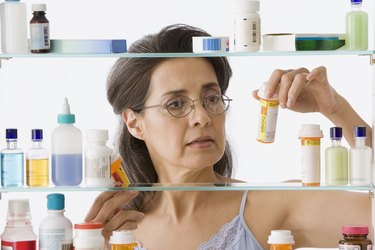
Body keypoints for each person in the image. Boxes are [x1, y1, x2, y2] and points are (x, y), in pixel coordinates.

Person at [84, 24, 372, 249]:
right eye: (175, 104)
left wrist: (336, 109)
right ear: (135, 123)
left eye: (211, 98)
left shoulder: (270, 207)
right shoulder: (116, 229)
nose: (203, 117)